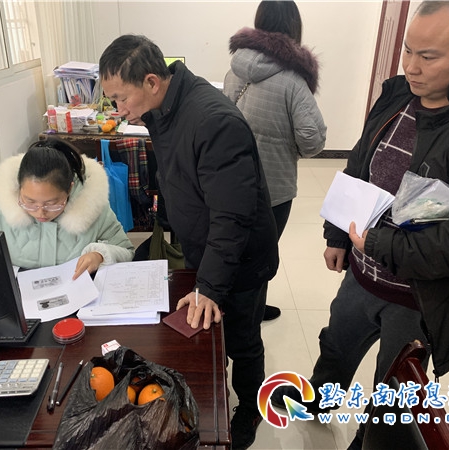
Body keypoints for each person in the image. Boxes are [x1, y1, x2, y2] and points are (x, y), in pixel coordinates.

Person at [270, 1, 449, 448]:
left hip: (419, 297)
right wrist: (338, 234)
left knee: (394, 391)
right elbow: (361, 163)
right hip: (362, 273)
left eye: (429, 56)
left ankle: (369, 441)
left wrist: (383, 246)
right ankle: (319, 402)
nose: (411, 67)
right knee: (336, 346)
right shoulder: (398, 95)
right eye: (407, 50)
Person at [99, 35, 279, 450]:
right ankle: (212, 395)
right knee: (208, 336)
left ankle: (249, 409)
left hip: (240, 257)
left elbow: (232, 217)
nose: (118, 109)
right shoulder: (163, 108)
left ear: (151, 81)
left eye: (121, 98)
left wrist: (210, 286)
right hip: (204, 247)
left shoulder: (214, 121)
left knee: (242, 339)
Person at [223, 0, 327, 321]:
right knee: (264, 253)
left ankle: (237, 306)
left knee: (235, 247)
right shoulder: (293, 81)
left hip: (232, 179)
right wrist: (290, 148)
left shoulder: (233, 69)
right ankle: (249, 313)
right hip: (274, 188)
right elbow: (313, 140)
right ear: (294, 29)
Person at [0, 138, 135, 279]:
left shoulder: (93, 205)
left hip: (77, 299)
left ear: (70, 189)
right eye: (29, 202)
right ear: (18, 188)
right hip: (17, 298)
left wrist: (100, 255)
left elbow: (126, 251)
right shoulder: (0, 204)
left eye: (52, 203)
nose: (40, 212)